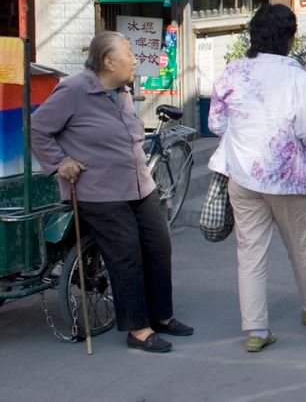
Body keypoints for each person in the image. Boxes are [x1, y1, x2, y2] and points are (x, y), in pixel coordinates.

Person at [31, 31, 192, 354]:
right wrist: (60, 163)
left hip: (137, 183)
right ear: (108, 61)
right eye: (129, 53)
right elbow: (37, 128)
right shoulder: (75, 90)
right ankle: (138, 328)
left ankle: (161, 315)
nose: (135, 60)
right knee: (126, 252)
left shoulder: (121, 91)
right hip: (98, 190)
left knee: (158, 245)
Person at [207, 4, 306, 353]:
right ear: (290, 37)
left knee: (250, 253)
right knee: (300, 245)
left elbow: (215, 125)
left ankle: (256, 330)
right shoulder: (298, 77)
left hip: (242, 176)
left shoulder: (232, 72)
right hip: (290, 179)